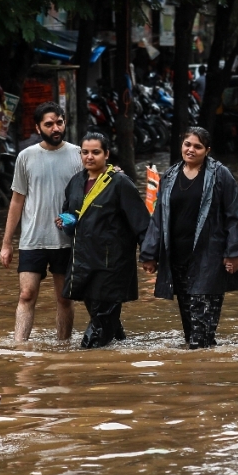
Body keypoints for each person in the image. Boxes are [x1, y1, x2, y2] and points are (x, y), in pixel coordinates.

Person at [140, 127, 238, 349]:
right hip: (179, 259)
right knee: (190, 331)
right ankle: (197, 373)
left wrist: (234, 252)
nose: (191, 150)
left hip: (210, 258)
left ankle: (203, 372)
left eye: (197, 146)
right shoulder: (169, 176)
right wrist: (149, 254)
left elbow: (234, 216)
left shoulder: (220, 175)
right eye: (187, 144)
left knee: (202, 333)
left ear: (207, 150)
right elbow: (159, 218)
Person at [57, 133, 151, 348]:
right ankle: (116, 363)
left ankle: (86, 361)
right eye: (85, 152)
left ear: (106, 154)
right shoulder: (76, 182)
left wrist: (148, 255)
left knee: (99, 324)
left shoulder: (119, 183)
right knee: (105, 320)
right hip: (84, 262)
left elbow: (141, 223)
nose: (90, 157)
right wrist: (63, 221)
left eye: (96, 152)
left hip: (112, 265)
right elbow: (68, 211)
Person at [0, 102, 82, 342]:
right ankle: (20, 347)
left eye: (59, 122)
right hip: (32, 239)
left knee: (64, 298)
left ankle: (63, 345)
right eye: (49, 124)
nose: (55, 128)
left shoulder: (79, 155)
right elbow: (17, 201)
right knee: (26, 294)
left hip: (66, 240)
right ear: (38, 127)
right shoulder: (26, 157)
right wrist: (6, 243)